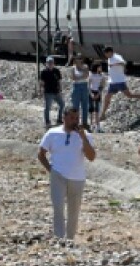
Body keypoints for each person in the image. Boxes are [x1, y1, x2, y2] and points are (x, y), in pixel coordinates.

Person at [37, 107, 96, 240]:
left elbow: (91, 157)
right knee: (58, 207)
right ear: (64, 118)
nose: (74, 121)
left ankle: (70, 238)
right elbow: (41, 153)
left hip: (77, 177)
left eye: (77, 118)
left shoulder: (85, 135)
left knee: (74, 211)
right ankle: (59, 237)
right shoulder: (52, 133)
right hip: (58, 174)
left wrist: (83, 138)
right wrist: (50, 170)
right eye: (71, 118)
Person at [99, 46, 139, 124]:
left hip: (120, 81)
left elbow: (123, 63)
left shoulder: (117, 57)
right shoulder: (109, 58)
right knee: (107, 98)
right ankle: (103, 114)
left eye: (106, 53)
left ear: (110, 52)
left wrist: (115, 65)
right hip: (112, 82)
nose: (105, 55)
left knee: (129, 95)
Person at [40, 56, 65, 127]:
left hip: (56, 92)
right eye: (49, 62)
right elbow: (42, 83)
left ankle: (59, 119)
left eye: (52, 62)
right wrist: (41, 91)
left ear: (54, 63)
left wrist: (60, 90)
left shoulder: (57, 71)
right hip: (48, 92)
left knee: (62, 104)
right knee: (47, 107)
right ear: (46, 63)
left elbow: (59, 81)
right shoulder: (43, 72)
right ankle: (47, 121)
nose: (50, 64)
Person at [69, 56, 92, 128]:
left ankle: (84, 123)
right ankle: (75, 122)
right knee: (75, 106)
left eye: (80, 58)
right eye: (78, 58)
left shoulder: (85, 66)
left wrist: (78, 77)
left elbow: (86, 75)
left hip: (84, 86)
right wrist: (80, 77)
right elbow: (73, 77)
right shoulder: (73, 68)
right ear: (75, 59)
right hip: (76, 86)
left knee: (85, 105)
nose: (79, 60)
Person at [87, 61, 106, 132]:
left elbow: (102, 85)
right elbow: (88, 85)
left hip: (98, 92)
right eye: (99, 67)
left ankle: (98, 126)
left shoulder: (102, 75)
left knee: (97, 110)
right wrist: (90, 93)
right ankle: (91, 125)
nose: (101, 68)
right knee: (91, 110)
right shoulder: (91, 74)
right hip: (91, 92)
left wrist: (99, 93)